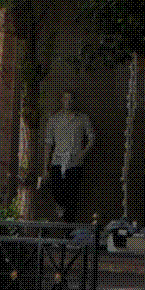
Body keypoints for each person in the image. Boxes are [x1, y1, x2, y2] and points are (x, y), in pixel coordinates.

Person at [44, 93, 97, 221]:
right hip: (57, 160)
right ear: (62, 100)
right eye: (66, 98)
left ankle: (69, 226)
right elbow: (48, 143)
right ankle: (60, 209)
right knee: (56, 189)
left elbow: (92, 138)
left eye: (71, 98)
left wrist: (82, 154)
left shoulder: (83, 118)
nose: (68, 101)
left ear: (74, 101)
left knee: (72, 195)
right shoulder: (54, 119)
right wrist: (45, 166)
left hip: (74, 161)